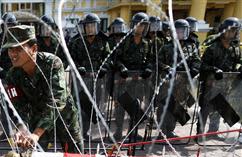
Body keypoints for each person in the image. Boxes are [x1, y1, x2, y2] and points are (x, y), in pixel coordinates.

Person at [3, 25, 90, 157]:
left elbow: (57, 101)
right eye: (9, 49)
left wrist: (36, 133)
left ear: (33, 48)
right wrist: (22, 128)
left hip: (64, 118)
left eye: (18, 48)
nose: (12, 54)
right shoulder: (12, 75)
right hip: (36, 121)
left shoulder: (53, 63)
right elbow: (17, 105)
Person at [157, 19, 201, 138]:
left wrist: (195, 69)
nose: (180, 33)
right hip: (167, 82)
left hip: (183, 83)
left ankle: (170, 130)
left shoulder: (191, 46)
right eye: (178, 31)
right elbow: (158, 61)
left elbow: (197, 60)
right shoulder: (166, 47)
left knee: (178, 106)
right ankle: (161, 131)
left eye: (183, 31)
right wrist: (167, 68)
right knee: (164, 106)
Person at [113, 12, 153, 141]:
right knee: (120, 108)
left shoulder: (147, 43)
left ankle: (132, 133)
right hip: (124, 81)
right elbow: (116, 59)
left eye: (143, 26)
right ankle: (118, 132)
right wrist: (122, 68)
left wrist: (148, 68)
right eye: (139, 25)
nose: (140, 28)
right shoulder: (125, 41)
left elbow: (150, 60)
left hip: (138, 83)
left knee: (135, 109)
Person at [69, 13, 111, 134]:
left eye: (92, 26)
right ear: (84, 27)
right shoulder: (77, 41)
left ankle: (85, 132)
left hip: (97, 80)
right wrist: (78, 67)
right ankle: (76, 131)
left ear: (97, 26)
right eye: (88, 26)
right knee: (79, 107)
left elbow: (108, 58)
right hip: (80, 80)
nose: (90, 29)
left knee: (91, 107)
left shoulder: (103, 42)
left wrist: (104, 68)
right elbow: (71, 58)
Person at [198, 17, 241, 135]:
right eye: (230, 30)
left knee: (218, 110)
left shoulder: (236, 49)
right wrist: (214, 70)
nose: (232, 33)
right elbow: (202, 66)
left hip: (227, 85)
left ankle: (213, 132)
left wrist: (239, 70)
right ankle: (199, 134)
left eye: (234, 30)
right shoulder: (213, 47)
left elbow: (238, 63)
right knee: (206, 109)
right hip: (210, 85)